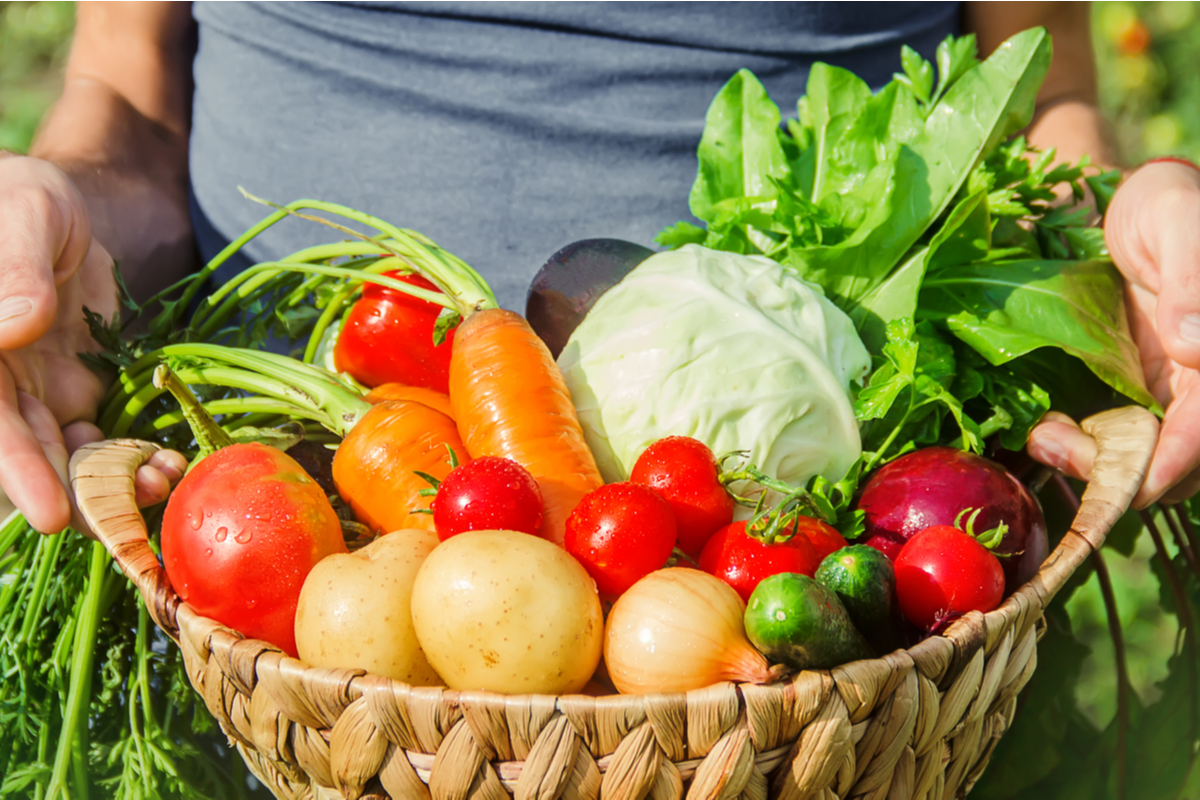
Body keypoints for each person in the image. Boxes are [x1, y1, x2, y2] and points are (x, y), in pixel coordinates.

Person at [1, 1, 1197, 535]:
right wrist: (68, 204)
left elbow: (1049, 100)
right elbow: (129, 93)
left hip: (846, 640)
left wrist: (1110, 230)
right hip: (285, 573)